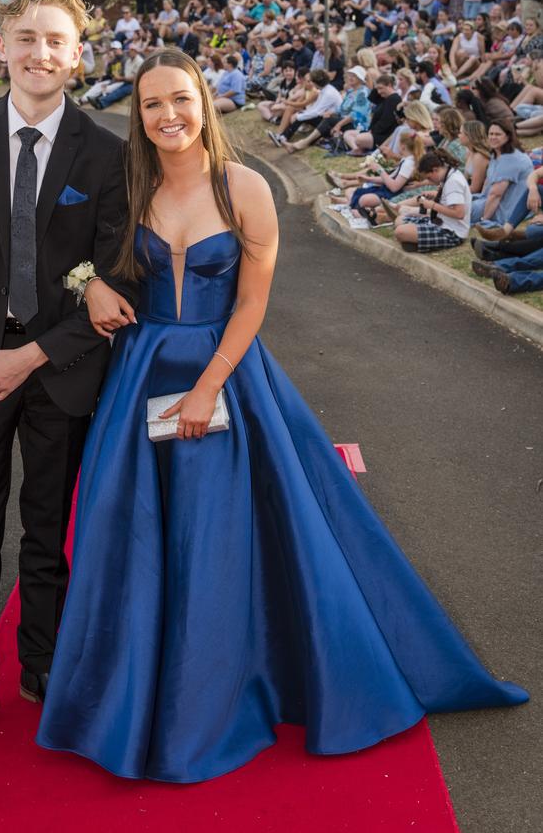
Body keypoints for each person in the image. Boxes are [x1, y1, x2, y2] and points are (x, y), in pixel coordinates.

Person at [35, 47, 527, 783]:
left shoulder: (244, 188)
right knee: (130, 536)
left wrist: (209, 387)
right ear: (137, 117)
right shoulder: (125, 185)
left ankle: (217, 695)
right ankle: (126, 699)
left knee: (225, 534)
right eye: (150, 105)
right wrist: (88, 286)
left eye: (179, 99)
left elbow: (252, 302)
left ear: (204, 101)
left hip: (225, 370)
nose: (167, 115)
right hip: (137, 378)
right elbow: (67, 252)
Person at [0, 0, 138, 751]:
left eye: (56, 42)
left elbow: (115, 283)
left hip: (61, 371)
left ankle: (43, 665)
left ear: (77, 59)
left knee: (47, 531)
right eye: (26, 37)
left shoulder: (107, 155)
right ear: (1, 45)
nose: (39, 53)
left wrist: (36, 355)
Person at [394, 148, 472, 252]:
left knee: (400, 232)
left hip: (452, 232)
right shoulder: (449, 174)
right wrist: (436, 196)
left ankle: (417, 242)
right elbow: (449, 201)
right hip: (441, 222)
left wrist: (432, 205)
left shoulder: (453, 182)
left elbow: (459, 213)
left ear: (435, 170)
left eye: (429, 178)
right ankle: (417, 242)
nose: (429, 181)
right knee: (400, 220)